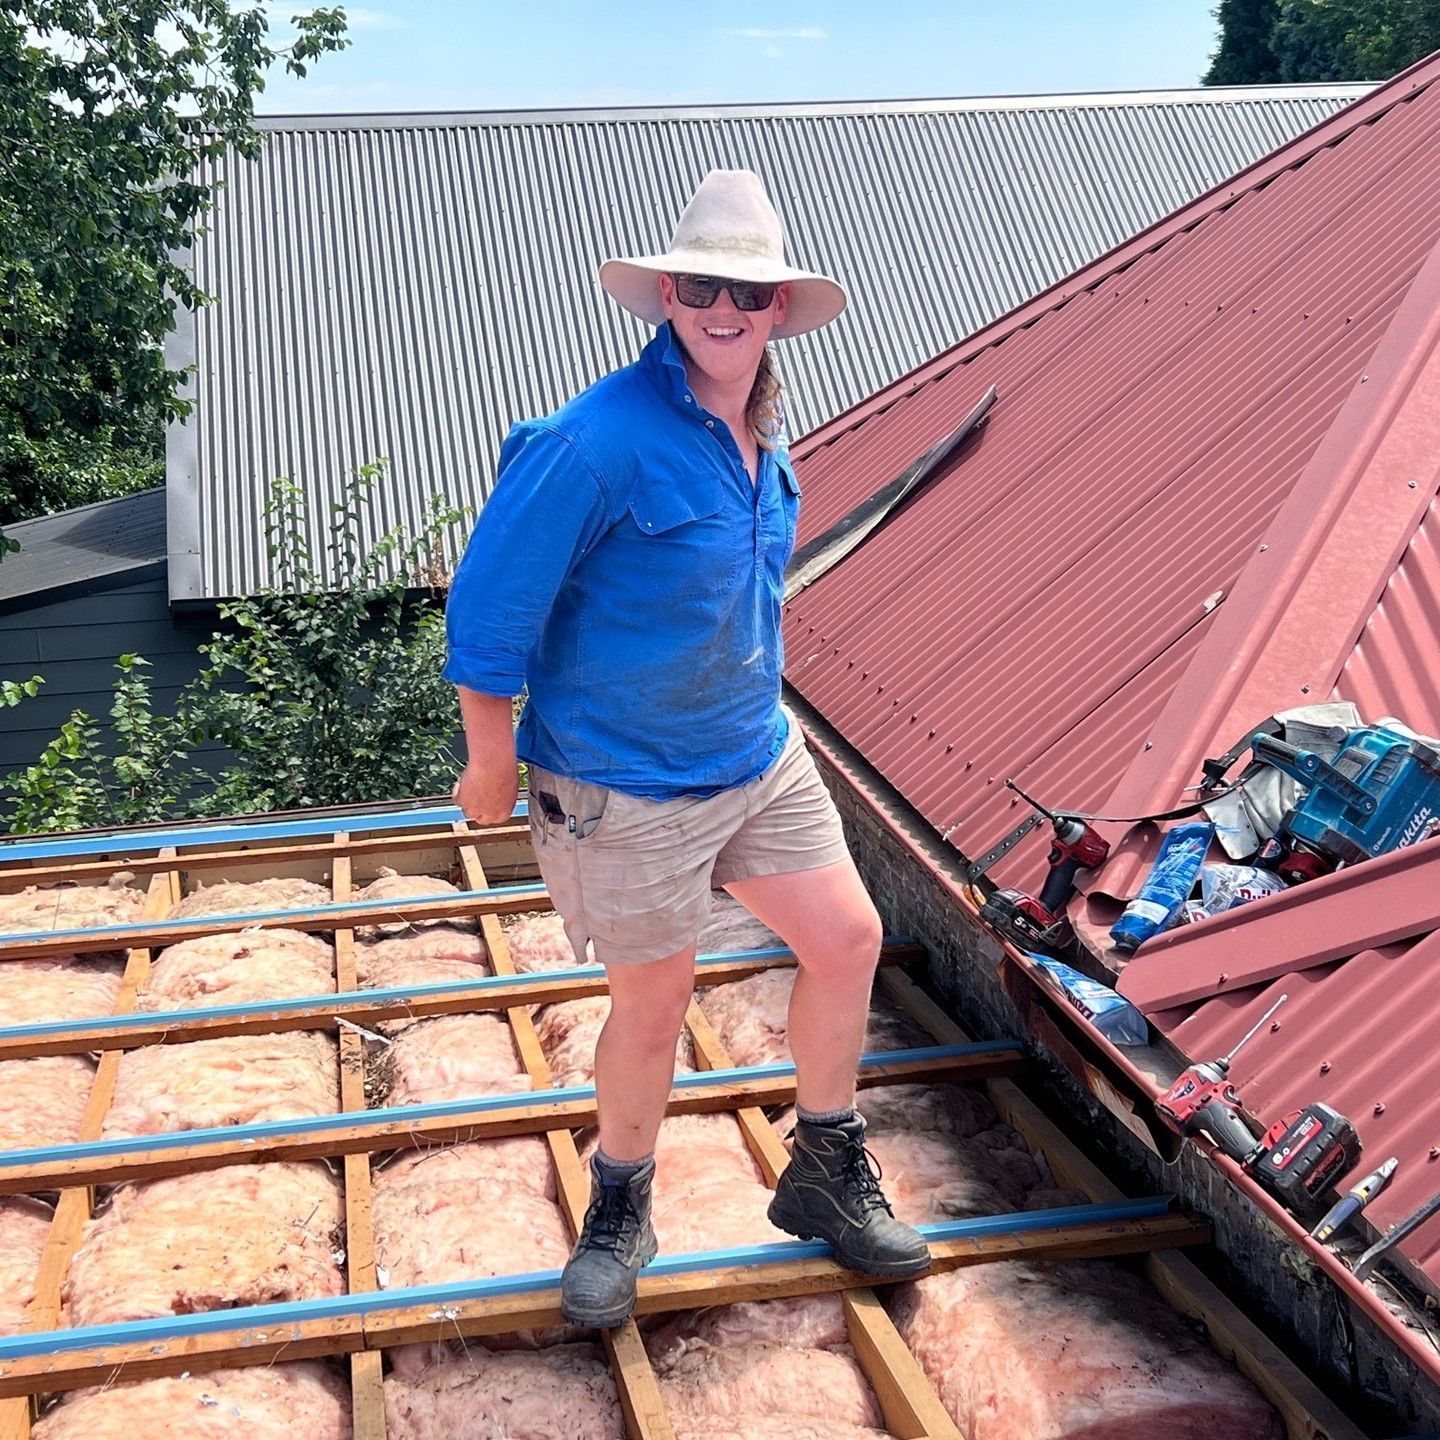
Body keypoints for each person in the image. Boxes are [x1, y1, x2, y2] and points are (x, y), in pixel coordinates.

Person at [445, 168, 931, 1328]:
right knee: (655, 1005)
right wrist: (490, 759)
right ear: (667, 292)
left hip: (756, 756)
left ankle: (823, 1169)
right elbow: (489, 607)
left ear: (777, 312)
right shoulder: (593, 441)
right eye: (703, 286)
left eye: (749, 294)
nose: (725, 309)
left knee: (849, 937)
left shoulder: (763, 438)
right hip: (623, 782)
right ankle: (620, 1205)